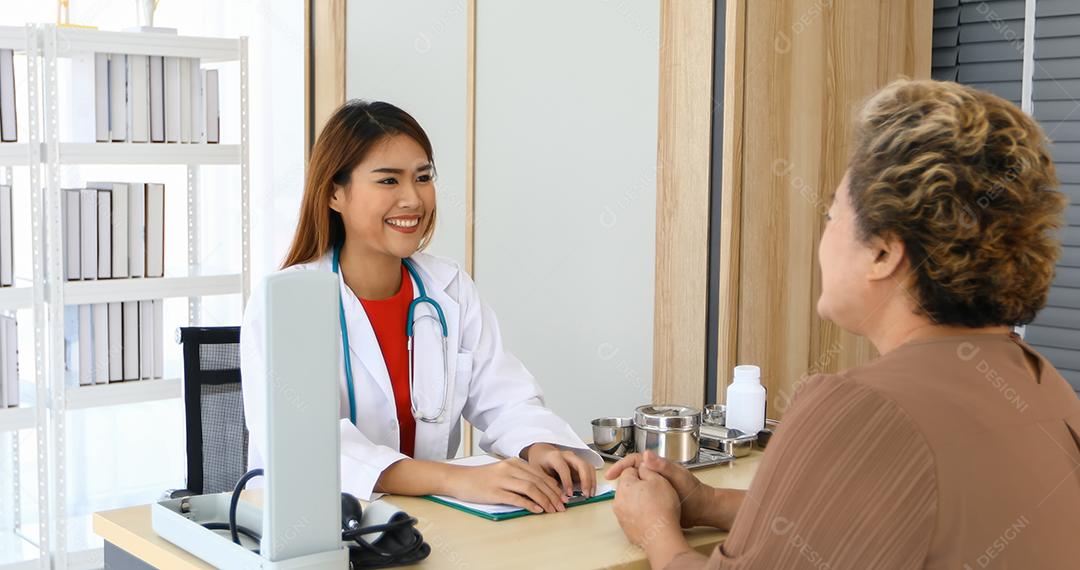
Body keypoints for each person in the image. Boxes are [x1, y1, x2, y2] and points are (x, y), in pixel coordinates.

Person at [609, 79, 1080, 568]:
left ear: (882, 252)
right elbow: (876, 525)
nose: (822, 239)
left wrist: (656, 530)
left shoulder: (865, 408)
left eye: (833, 215)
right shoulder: (1045, 389)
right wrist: (708, 504)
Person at [241, 100, 601, 512]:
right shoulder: (286, 303)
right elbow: (307, 447)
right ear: (335, 193)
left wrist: (540, 446)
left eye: (423, 177)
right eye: (388, 181)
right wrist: (460, 479)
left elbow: (504, 396)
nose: (413, 199)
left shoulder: (449, 289)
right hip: (315, 527)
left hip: (428, 526)